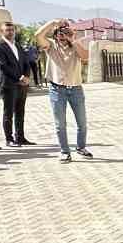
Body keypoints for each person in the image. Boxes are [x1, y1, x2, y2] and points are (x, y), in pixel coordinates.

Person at [36, 20, 91, 162]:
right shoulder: (51, 46)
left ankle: (80, 147)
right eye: (59, 33)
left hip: (76, 89)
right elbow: (38, 35)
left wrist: (73, 40)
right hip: (57, 89)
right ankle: (65, 151)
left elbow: (85, 56)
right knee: (60, 123)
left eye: (65, 32)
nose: (62, 35)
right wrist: (53, 22)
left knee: (82, 122)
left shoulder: (76, 46)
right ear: (55, 35)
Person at [0, 20, 33, 146]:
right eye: (7, 30)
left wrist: (26, 76)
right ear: (2, 32)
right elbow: (3, 66)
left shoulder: (18, 45)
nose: (10, 32)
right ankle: (9, 139)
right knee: (8, 112)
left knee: (20, 112)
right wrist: (19, 78)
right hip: (9, 84)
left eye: (12, 30)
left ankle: (20, 137)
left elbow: (26, 62)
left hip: (22, 85)